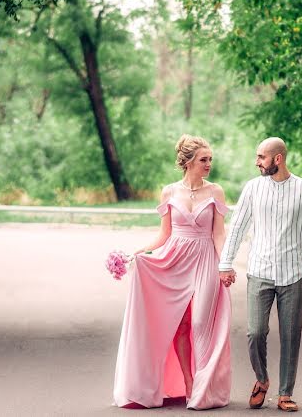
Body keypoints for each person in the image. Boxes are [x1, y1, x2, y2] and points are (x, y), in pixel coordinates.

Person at [112, 135, 231, 410]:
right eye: (204, 159)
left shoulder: (216, 192)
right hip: (175, 260)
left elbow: (219, 234)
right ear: (188, 162)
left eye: (210, 159)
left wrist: (224, 265)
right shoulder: (169, 192)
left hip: (205, 260)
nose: (209, 164)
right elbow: (164, 234)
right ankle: (190, 384)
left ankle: (204, 389)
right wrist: (137, 253)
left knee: (201, 323)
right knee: (181, 325)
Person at [218, 137, 302, 412]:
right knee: (255, 332)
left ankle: (285, 393)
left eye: (261, 157)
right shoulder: (253, 189)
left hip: (293, 274)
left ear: (277, 159)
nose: (257, 162)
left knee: (291, 336)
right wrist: (226, 263)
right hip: (260, 271)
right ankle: (262, 380)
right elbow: (237, 227)